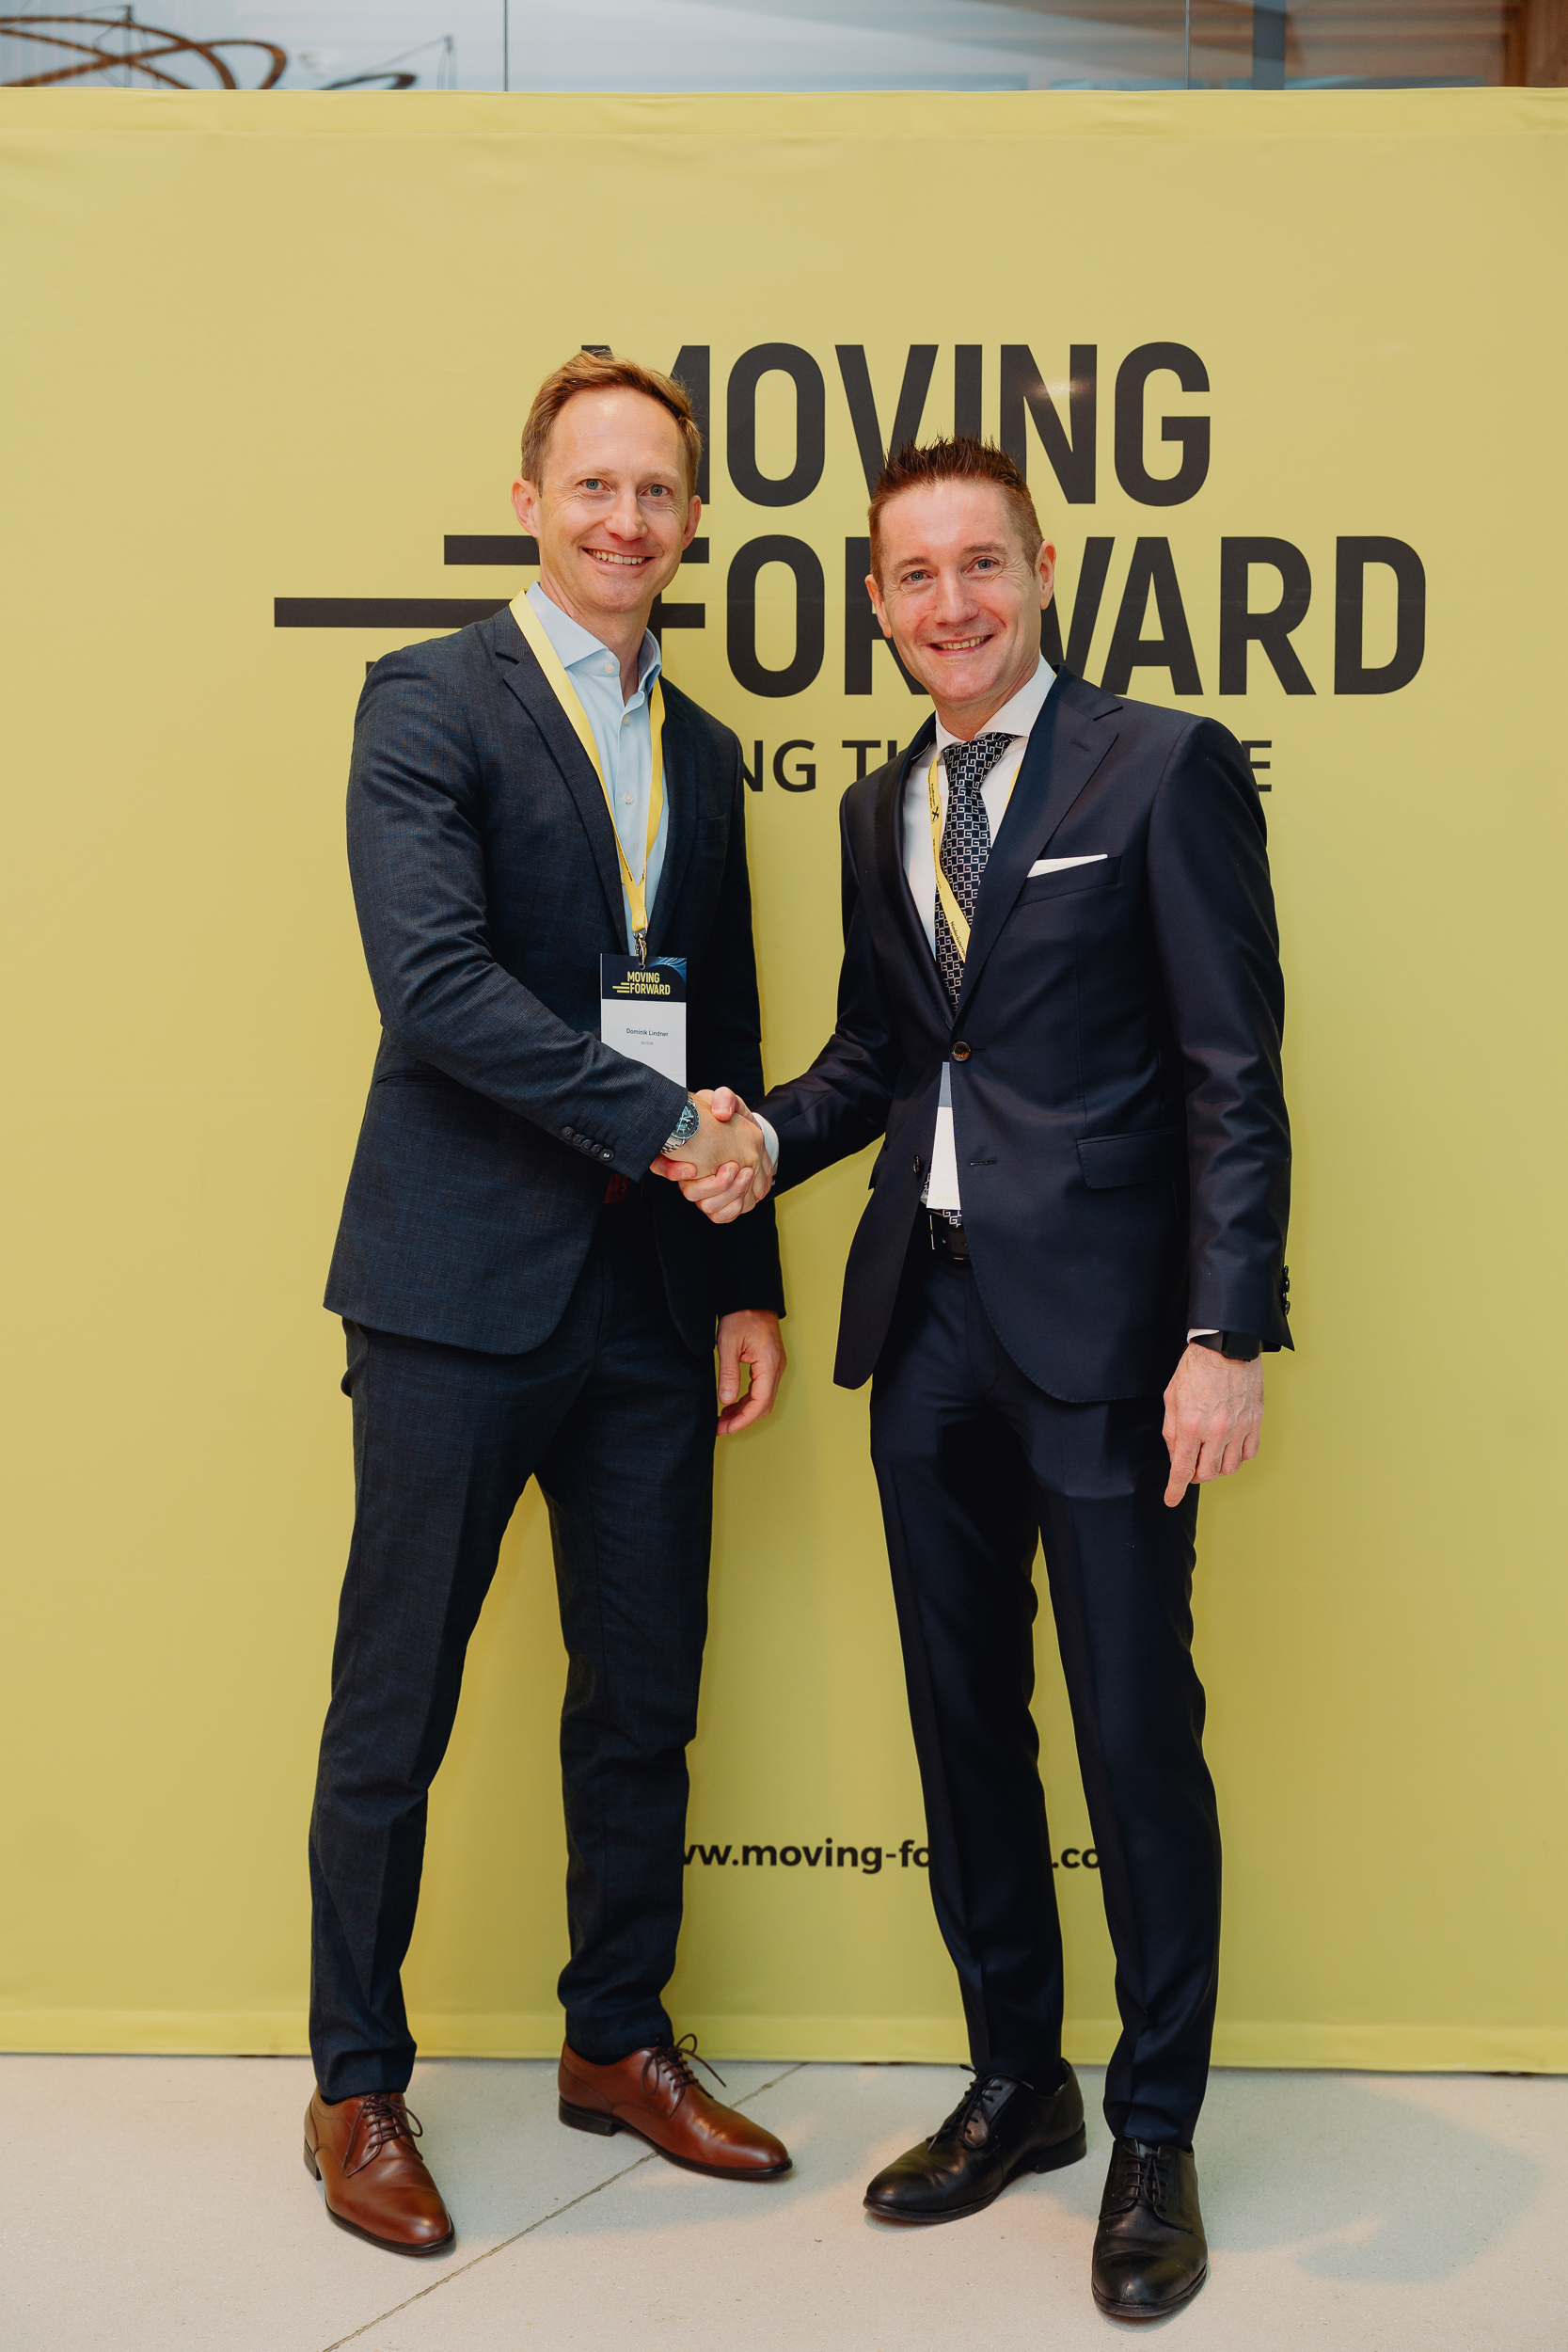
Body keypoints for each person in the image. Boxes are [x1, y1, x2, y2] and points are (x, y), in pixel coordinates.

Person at [681, 437, 1291, 2323]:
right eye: (915, 574)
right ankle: (1018, 2080)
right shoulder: (881, 804)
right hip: (926, 1331)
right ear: (878, 602)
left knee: (1132, 1733)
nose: (951, 602)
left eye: (982, 564)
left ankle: (1156, 2128)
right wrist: (761, 1143)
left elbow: (1232, 1072)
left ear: (1041, 570)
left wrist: (1223, 1332)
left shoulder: (1161, 765)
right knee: (966, 1729)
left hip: (1113, 1345)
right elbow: (884, 1057)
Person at [304, 351, 787, 2257]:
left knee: (643, 1697)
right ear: (531, 500)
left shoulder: (711, 751)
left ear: (691, 520)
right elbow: (432, 984)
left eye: (657, 491)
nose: (625, 519)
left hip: (653, 1302)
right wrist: (669, 1126)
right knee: (395, 1700)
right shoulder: (428, 698)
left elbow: (721, 1004)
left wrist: (741, 1280)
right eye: (594, 484)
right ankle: (355, 2081)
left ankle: (616, 2039)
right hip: (454, 1287)